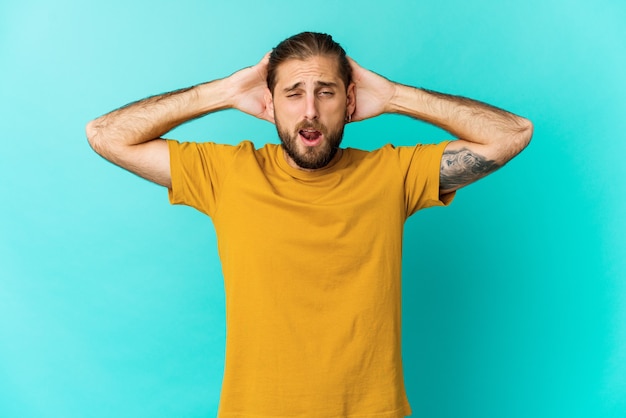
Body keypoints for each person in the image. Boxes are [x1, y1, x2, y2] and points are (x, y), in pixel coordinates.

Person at [86, 32, 532, 418]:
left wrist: (394, 96)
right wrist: (221, 92)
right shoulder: (226, 174)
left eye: (326, 91)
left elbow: (512, 133)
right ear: (270, 104)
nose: (310, 111)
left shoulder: (392, 174)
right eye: (294, 93)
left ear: (350, 101)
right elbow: (105, 134)